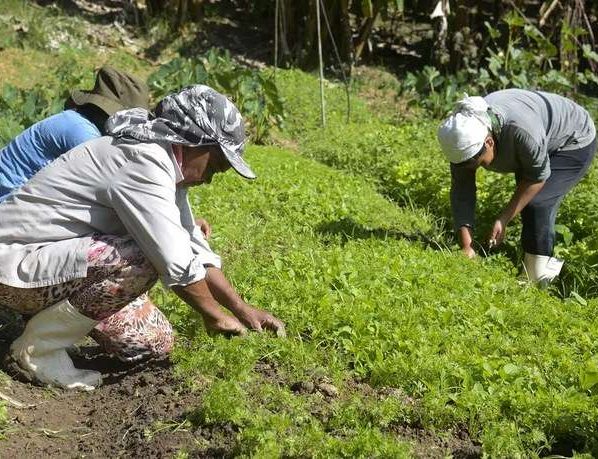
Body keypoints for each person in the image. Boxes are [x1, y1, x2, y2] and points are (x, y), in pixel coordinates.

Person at [0, 84, 285, 391]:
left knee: (151, 342)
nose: (209, 179)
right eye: (214, 166)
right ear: (192, 140)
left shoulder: (164, 162)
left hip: (49, 266)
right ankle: (36, 351)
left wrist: (242, 309)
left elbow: (193, 246)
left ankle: (45, 328)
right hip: (14, 265)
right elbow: (174, 260)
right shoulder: (143, 160)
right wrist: (214, 316)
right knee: (142, 257)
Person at [0, 66, 176, 365]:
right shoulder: (83, 134)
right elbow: (123, 204)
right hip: (19, 238)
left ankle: (47, 324)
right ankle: (39, 344)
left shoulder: (80, 126)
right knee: (134, 253)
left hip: (42, 232)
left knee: (150, 341)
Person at [437, 89, 596, 285]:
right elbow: (462, 190)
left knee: (537, 202)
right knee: (526, 199)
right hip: (537, 135)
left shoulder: (521, 131)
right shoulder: (462, 139)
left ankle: (537, 277)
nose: (473, 168)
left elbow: (537, 178)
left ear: (489, 142)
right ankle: (531, 260)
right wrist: (467, 247)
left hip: (572, 138)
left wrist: (503, 219)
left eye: (476, 162)